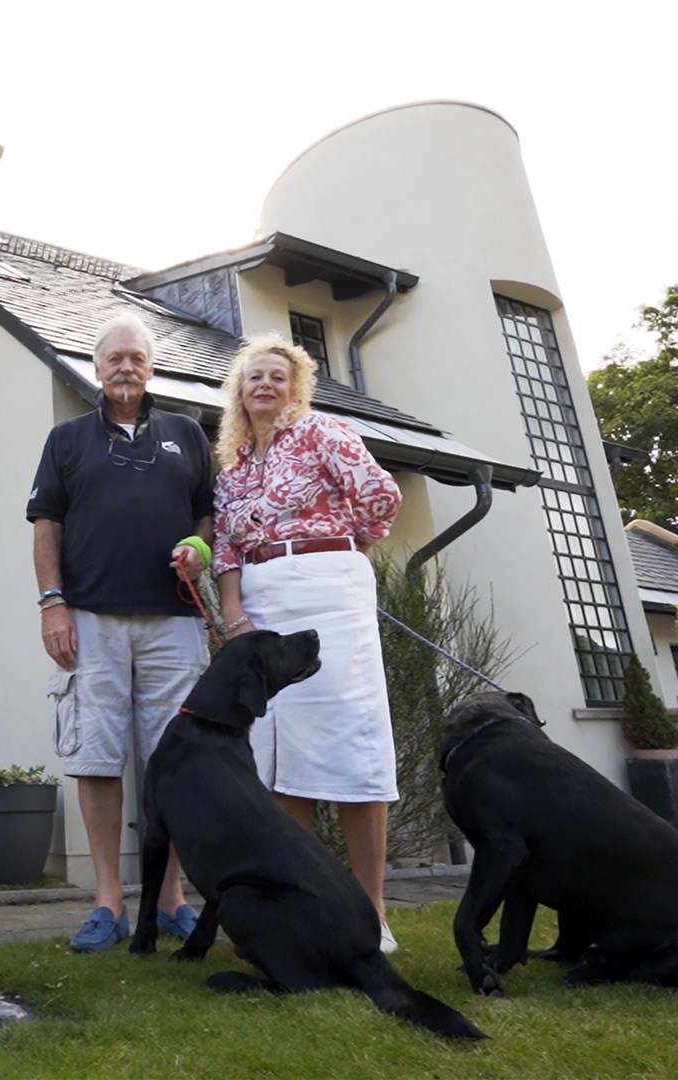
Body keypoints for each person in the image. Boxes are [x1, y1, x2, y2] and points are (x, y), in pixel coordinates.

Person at [208, 332, 405, 954]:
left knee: (352, 735)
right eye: (253, 377)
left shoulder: (324, 433)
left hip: (327, 588)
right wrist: (233, 612)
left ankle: (371, 909)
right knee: (279, 748)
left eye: (277, 376)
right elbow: (226, 547)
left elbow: (382, 497)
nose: (264, 385)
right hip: (263, 599)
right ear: (238, 393)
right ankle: (310, 898)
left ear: (296, 387)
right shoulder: (233, 466)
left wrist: (342, 547)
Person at [27, 312, 216, 952]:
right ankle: (107, 901)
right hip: (90, 621)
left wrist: (197, 547)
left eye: (136, 357)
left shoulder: (188, 435)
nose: (126, 368)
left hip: (173, 622)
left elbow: (207, 518)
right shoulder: (67, 439)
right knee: (96, 756)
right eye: (114, 359)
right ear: (97, 368)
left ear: (151, 366)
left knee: (176, 765)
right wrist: (53, 603)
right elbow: (45, 525)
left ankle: (169, 899)